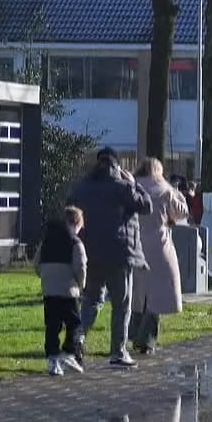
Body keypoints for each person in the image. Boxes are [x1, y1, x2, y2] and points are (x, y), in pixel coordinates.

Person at [69, 148, 153, 368]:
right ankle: (118, 352)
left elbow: (70, 206)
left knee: (92, 300)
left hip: (92, 253)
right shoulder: (123, 187)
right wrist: (135, 183)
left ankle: (77, 337)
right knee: (121, 304)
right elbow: (146, 206)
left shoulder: (82, 187)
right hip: (120, 255)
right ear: (116, 165)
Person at [129, 158, 188, 355]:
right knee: (158, 294)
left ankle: (132, 332)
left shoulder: (132, 185)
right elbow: (181, 213)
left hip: (134, 243)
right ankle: (147, 339)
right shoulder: (164, 189)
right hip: (159, 245)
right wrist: (178, 193)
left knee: (137, 294)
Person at [37, 205, 88, 376]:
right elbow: (80, 267)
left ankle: (52, 359)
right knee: (75, 324)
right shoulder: (75, 242)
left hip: (49, 289)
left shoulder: (47, 239)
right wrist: (81, 285)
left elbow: (36, 264)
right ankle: (68, 352)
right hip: (68, 290)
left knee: (52, 325)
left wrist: (44, 276)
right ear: (76, 223)